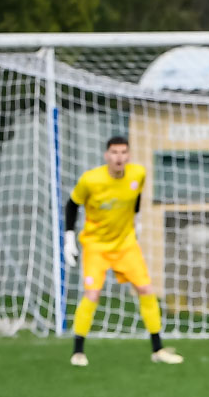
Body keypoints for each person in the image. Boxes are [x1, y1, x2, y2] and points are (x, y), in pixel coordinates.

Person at [64, 136, 183, 366]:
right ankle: (78, 351)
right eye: (114, 152)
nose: (119, 157)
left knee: (146, 289)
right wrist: (69, 238)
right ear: (106, 155)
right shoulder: (91, 180)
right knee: (92, 294)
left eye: (123, 152)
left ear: (128, 155)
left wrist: (136, 220)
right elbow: (71, 205)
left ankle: (157, 349)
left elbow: (135, 196)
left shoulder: (137, 174)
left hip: (125, 243)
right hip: (96, 245)